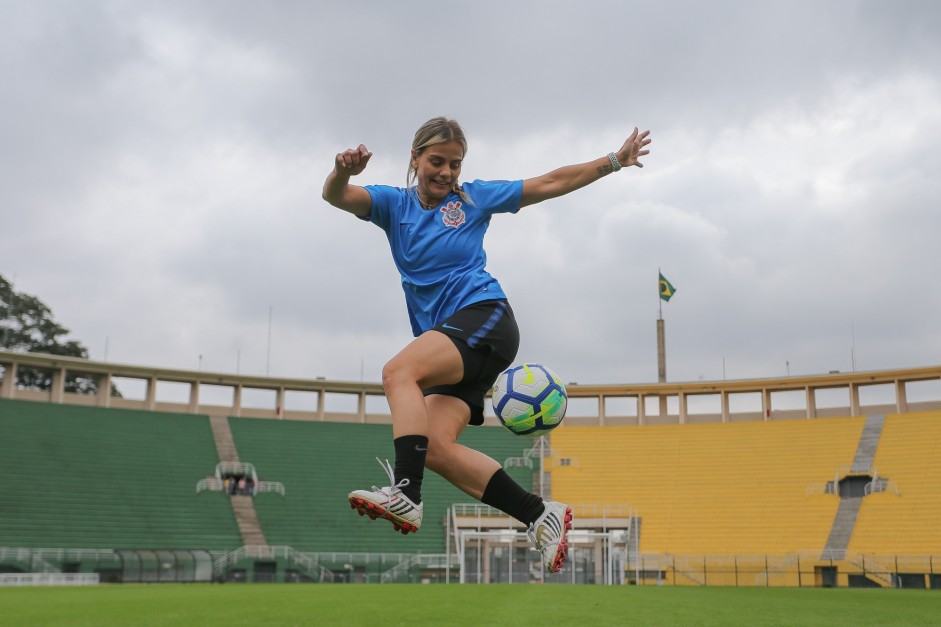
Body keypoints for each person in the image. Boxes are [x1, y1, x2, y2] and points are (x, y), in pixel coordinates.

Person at [322, 116, 651, 574]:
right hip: (457, 343)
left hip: (485, 318)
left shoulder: (473, 197)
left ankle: (405, 494)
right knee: (433, 447)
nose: (446, 172)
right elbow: (335, 196)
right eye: (437, 161)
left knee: (399, 373)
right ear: (415, 159)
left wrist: (614, 161)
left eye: (454, 164)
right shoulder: (392, 205)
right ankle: (539, 513)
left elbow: (549, 182)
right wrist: (343, 171)